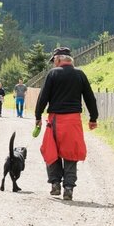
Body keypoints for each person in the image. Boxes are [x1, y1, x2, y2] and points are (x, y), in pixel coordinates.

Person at [34, 47, 98, 201]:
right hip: (73, 121)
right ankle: (68, 188)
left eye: (54, 61)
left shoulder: (53, 74)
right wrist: (93, 118)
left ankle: (55, 183)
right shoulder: (80, 74)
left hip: (55, 120)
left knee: (51, 150)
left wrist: (38, 116)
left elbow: (43, 97)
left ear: (58, 59)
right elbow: (90, 97)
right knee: (71, 153)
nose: (53, 63)